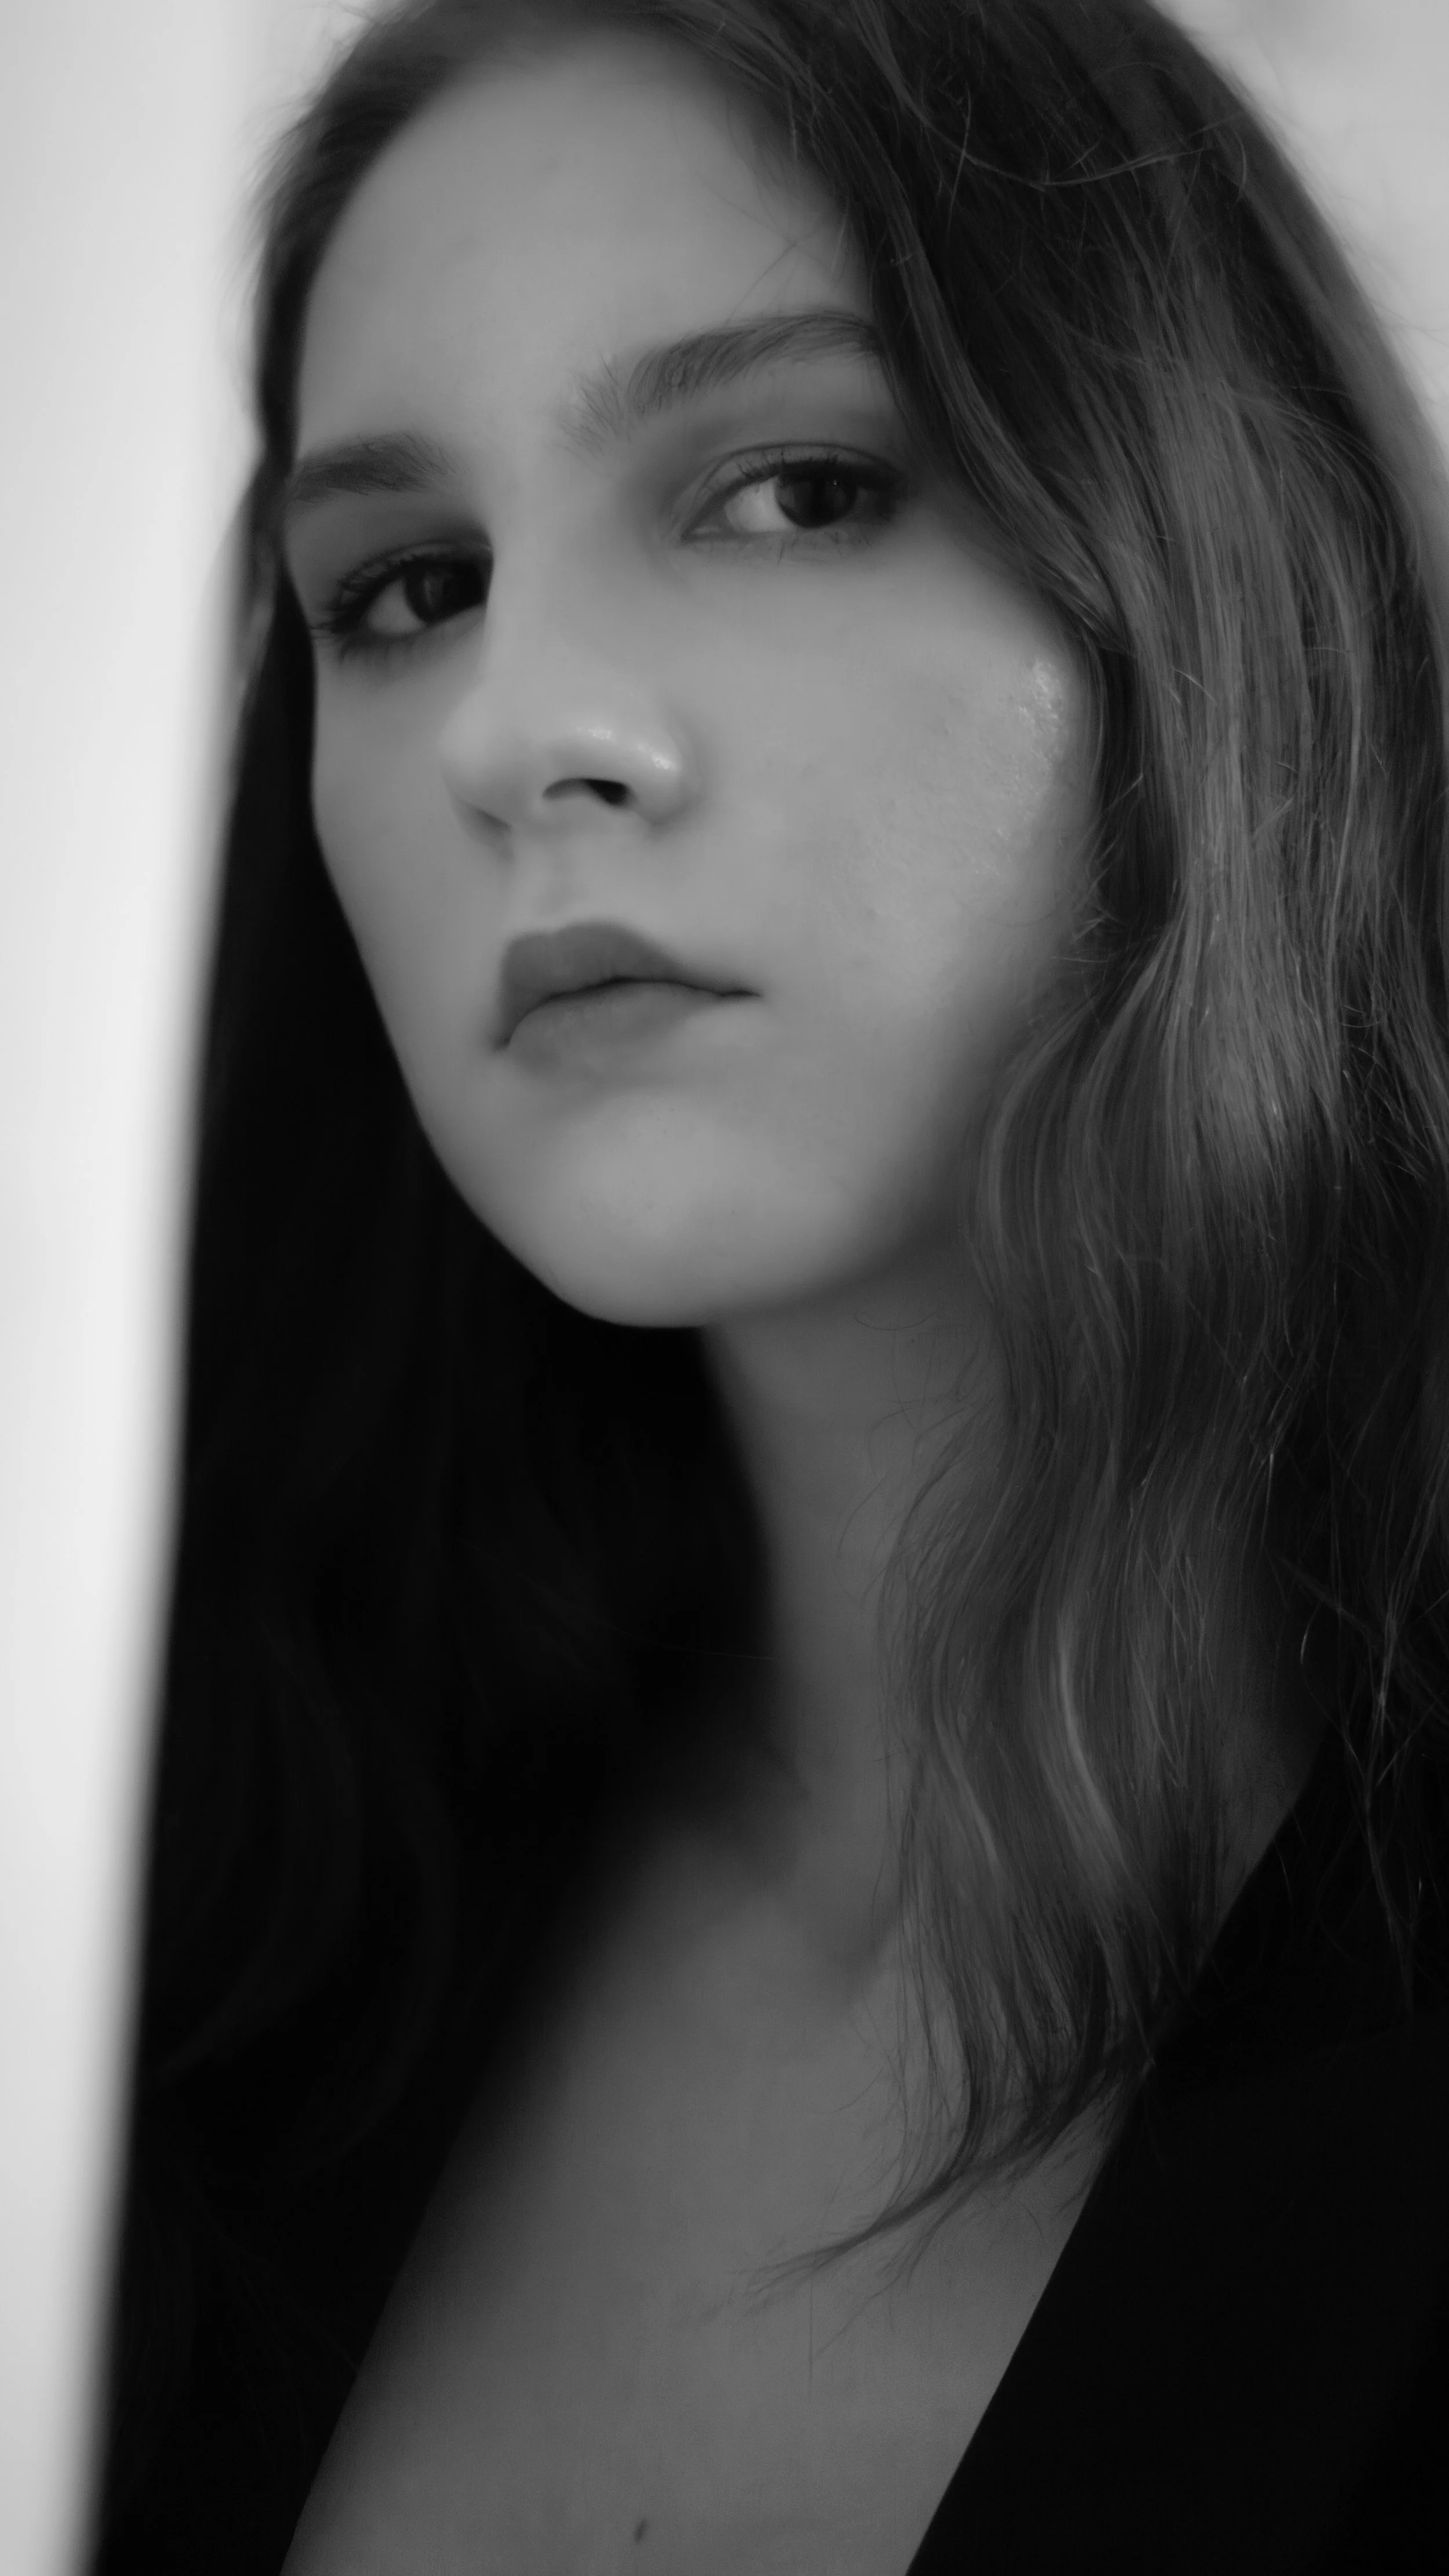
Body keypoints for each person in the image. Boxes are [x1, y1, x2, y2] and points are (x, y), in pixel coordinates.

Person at [88, 1, 1449, 2568]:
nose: (517, 721)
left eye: (795, 487)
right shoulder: (215, 1913)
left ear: (1214, 585)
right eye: (403, 585)